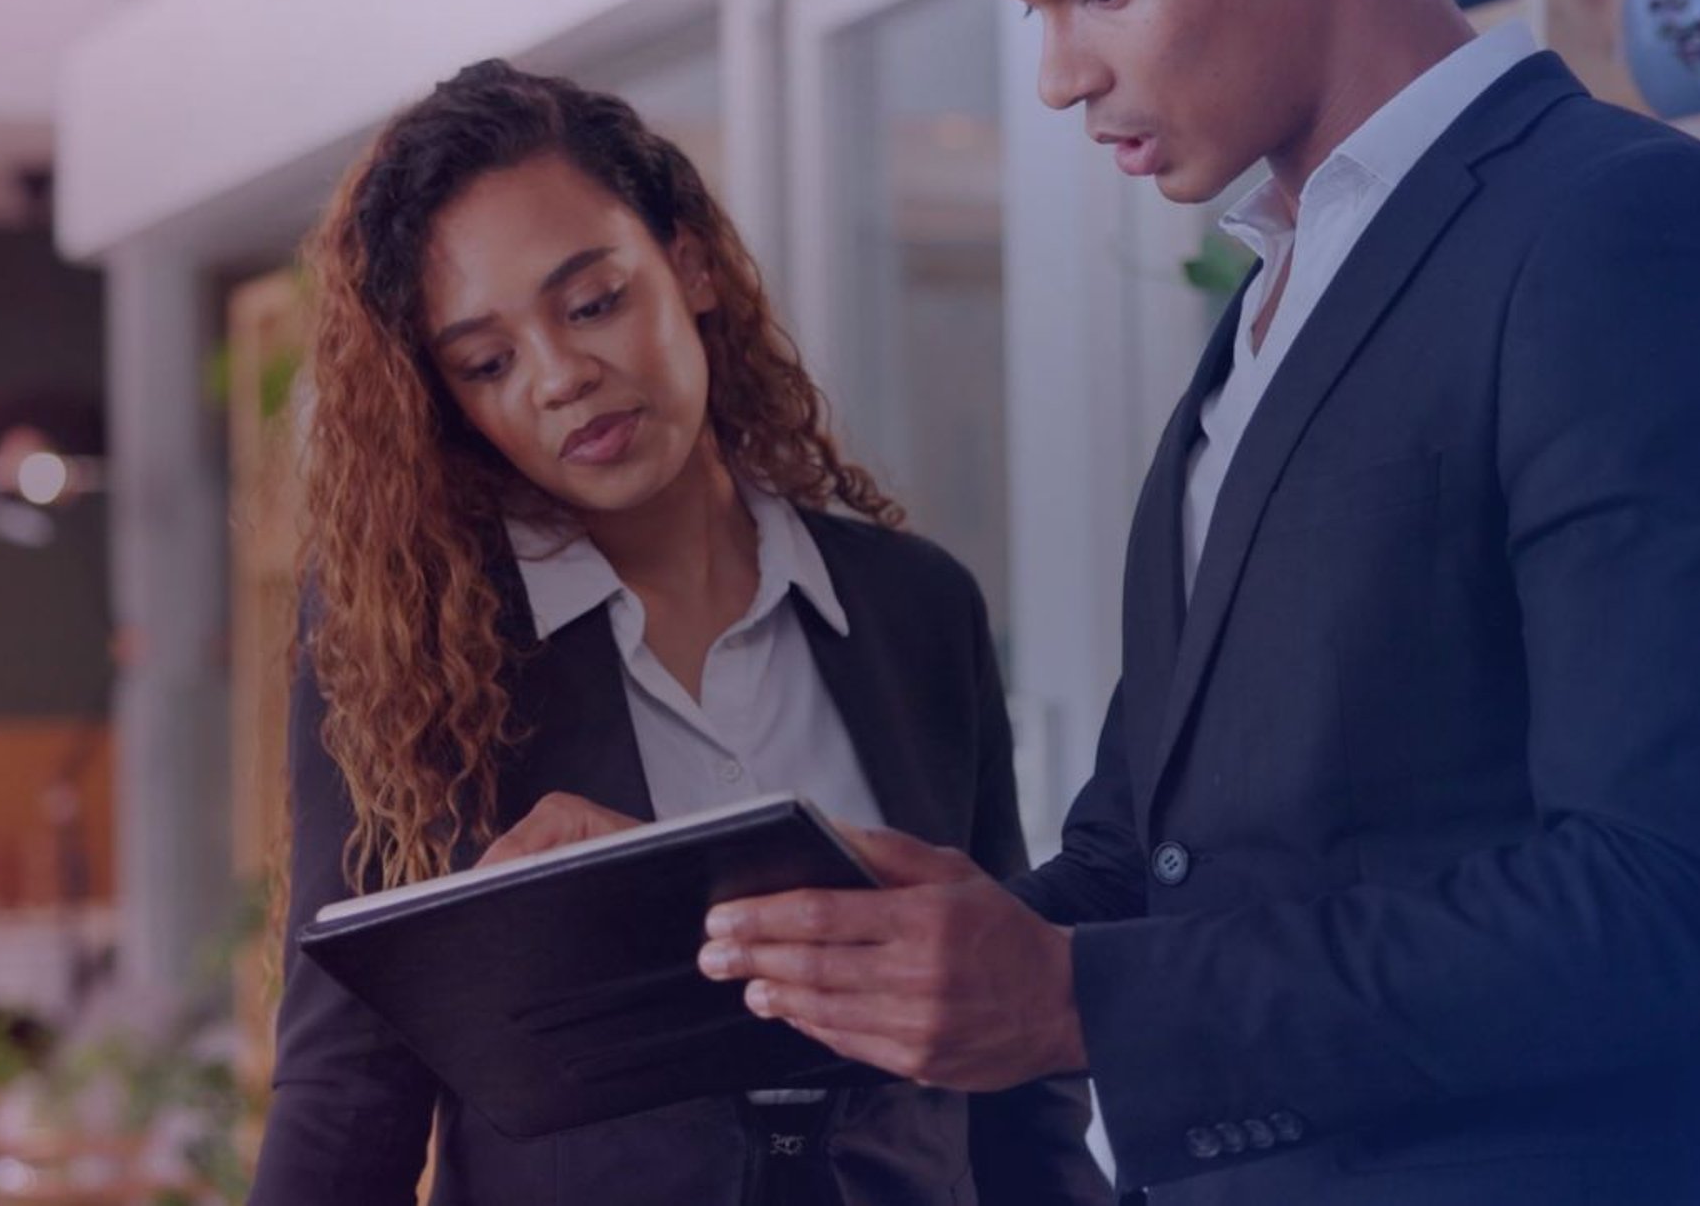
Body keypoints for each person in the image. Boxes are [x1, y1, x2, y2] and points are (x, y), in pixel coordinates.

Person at [694, 0, 1700, 1202]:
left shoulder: (1626, 236)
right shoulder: (1267, 308)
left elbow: (1686, 911)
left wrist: (1078, 1000)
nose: (1056, 76)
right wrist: (853, 940)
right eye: (1030, 9)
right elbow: (1154, 859)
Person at [252, 60, 1109, 1206]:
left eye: (593, 303)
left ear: (691, 265)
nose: (563, 378)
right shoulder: (413, 647)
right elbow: (350, 1089)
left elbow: (1012, 1071)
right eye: (488, 363)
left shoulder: (915, 609)